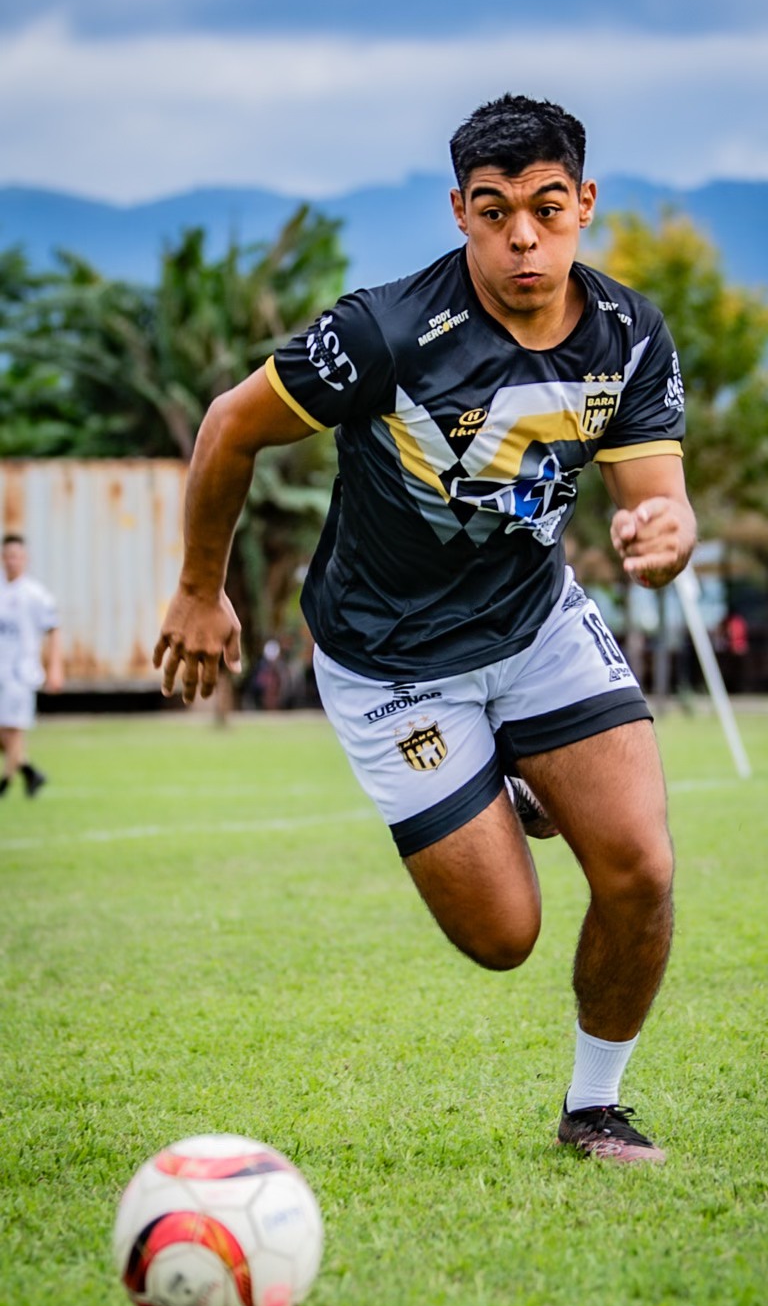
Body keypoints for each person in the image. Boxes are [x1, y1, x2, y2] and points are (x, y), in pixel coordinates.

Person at [154, 95, 697, 1164]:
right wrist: (196, 589)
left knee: (638, 866)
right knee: (503, 938)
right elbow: (227, 425)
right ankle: (503, 775)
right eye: (494, 213)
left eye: (546, 208)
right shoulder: (384, 333)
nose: (522, 238)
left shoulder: (626, 333)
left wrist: (665, 529)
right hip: (390, 661)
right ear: (459, 211)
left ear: (583, 203)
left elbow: (656, 495)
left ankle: (594, 1107)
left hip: (534, 624)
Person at [0, 533, 63, 796]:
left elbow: (53, 630)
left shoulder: (35, 595)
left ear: (24, 559)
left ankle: (5, 781)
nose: (12, 562)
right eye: (7, 557)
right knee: (5, 731)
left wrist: (55, 668)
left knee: (13, 729)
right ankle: (29, 772)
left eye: (16, 556)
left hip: (20, 673)